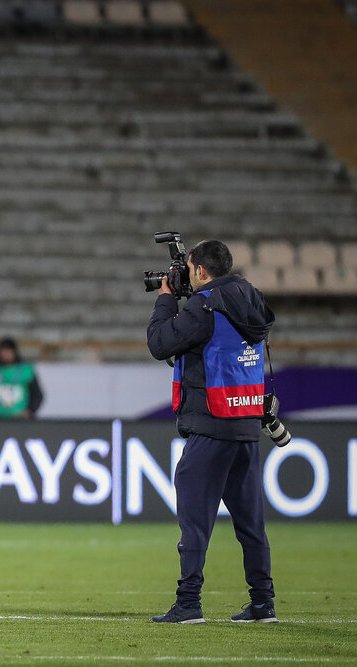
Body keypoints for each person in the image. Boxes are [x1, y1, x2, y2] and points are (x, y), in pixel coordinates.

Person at [146, 240, 277, 625]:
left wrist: (166, 300)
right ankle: (263, 603)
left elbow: (158, 343)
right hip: (246, 425)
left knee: (195, 520)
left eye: (188, 270)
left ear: (201, 271)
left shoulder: (203, 307)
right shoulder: (250, 297)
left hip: (210, 424)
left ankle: (188, 603)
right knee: (251, 525)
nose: (186, 276)